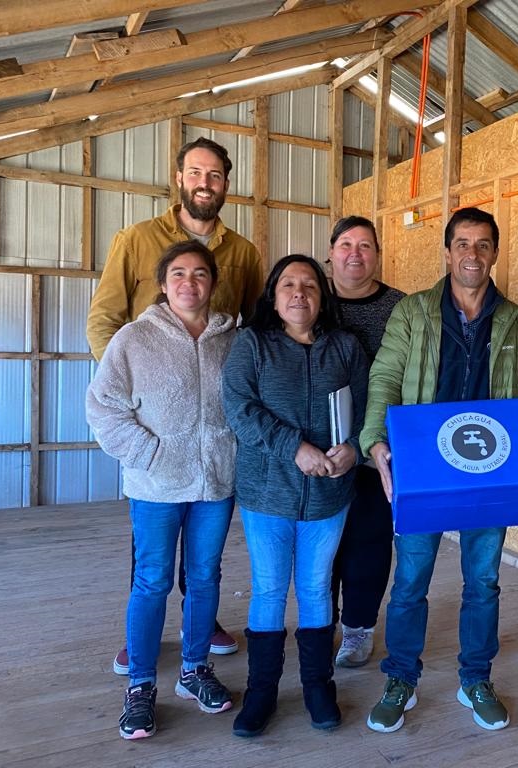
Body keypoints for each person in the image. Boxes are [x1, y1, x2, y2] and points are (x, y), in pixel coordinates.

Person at [360, 207, 518, 734]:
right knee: (410, 581)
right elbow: (385, 378)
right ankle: (401, 678)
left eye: (482, 245)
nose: (471, 254)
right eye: (462, 244)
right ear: (447, 251)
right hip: (423, 473)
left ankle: (475, 677)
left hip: (488, 473)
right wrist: (376, 443)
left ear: (494, 253)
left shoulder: (516, 321)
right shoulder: (412, 313)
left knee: (483, 582)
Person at [87, 137, 263, 671]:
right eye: (195, 173)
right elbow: (104, 319)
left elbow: (255, 332)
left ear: (225, 184)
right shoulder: (136, 239)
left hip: (214, 447)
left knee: (205, 566)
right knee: (152, 563)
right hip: (156, 436)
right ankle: (144, 642)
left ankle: (198, 631)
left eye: (215, 174)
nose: (204, 183)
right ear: (180, 178)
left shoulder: (244, 253)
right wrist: (133, 380)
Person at [86, 240, 238, 740]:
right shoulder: (133, 338)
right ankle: (141, 685)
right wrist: (146, 453)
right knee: (152, 581)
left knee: (205, 577)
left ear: (213, 282)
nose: (189, 283)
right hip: (155, 486)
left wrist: (233, 455)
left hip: (215, 484)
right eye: (178, 274)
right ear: (162, 283)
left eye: (200, 273)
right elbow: (102, 406)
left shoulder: (232, 339)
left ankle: (194, 670)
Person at [221, 254, 369, 737]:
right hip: (267, 494)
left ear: (322, 297)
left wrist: (354, 448)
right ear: (273, 295)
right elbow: (239, 408)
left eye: (309, 284)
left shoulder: (345, 347)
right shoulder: (252, 344)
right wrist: (295, 447)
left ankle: (317, 686)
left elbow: (371, 406)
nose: (299, 292)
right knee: (268, 588)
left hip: (329, 495)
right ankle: (261, 691)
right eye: (288, 284)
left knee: (315, 588)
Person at [326, 216, 405, 669]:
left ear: (377, 254)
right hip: (322, 450)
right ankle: (321, 623)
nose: (355, 253)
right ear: (331, 252)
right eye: (346, 244)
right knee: (322, 544)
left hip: (378, 451)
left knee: (369, 543)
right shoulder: (311, 299)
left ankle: (358, 628)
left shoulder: (400, 307)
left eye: (365, 246)